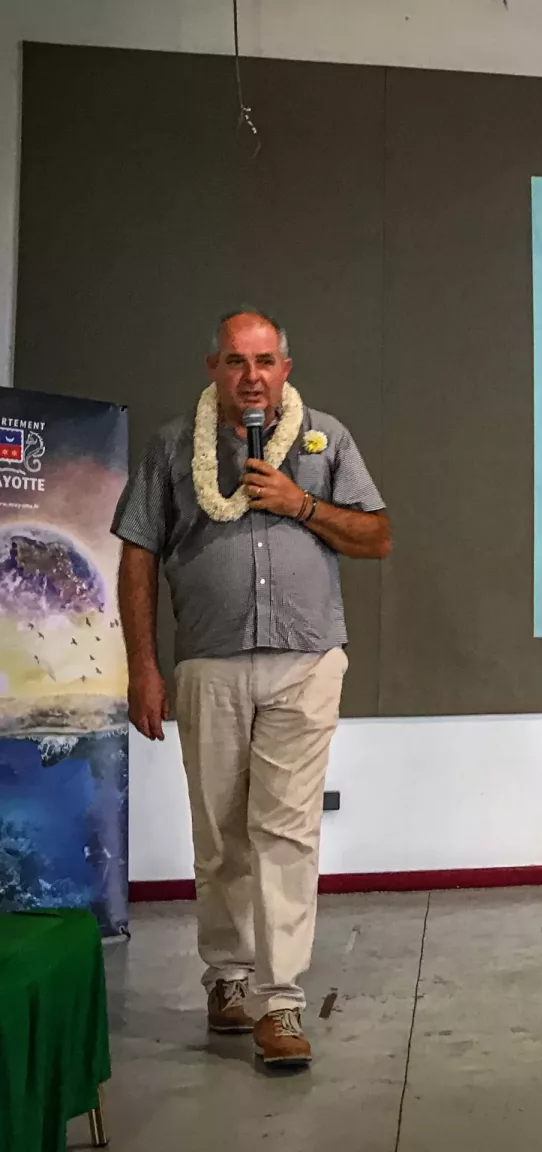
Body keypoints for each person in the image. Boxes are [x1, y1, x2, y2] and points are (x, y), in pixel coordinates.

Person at [112, 310, 390, 1068]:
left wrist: (301, 504)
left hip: (306, 661)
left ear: (286, 369)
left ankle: (281, 1002)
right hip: (210, 663)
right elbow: (137, 555)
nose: (252, 376)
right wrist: (143, 666)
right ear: (214, 368)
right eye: (236, 361)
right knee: (221, 835)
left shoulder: (325, 438)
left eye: (265, 361)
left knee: (287, 832)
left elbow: (377, 536)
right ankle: (228, 977)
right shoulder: (175, 445)